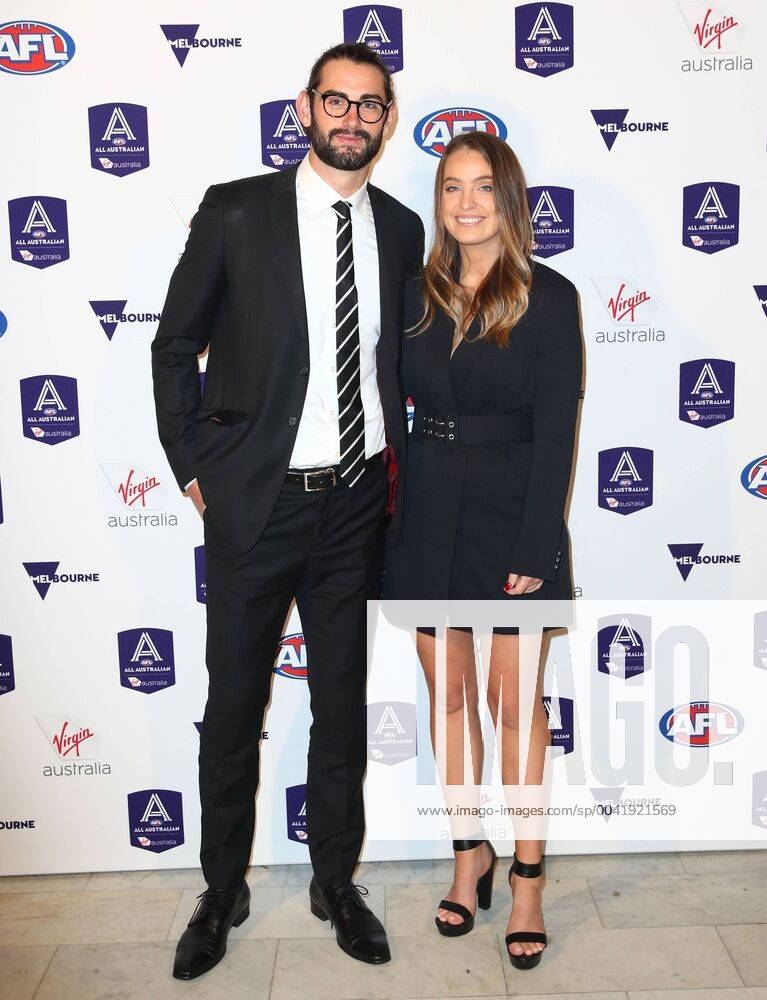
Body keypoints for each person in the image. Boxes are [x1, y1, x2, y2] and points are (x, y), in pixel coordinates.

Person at [151, 42, 423, 979]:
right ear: (304, 108)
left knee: (340, 705)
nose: (353, 120)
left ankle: (333, 882)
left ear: (387, 120)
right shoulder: (236, 212)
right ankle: (219, 891)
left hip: (356, 505)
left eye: (371, 107)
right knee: (233, 706)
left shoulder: (398, 228)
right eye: (336, 103)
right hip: (255, 506)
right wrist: (193, 463)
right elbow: (173, 342)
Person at [382, 132, 583, 969]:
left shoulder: (550, 293)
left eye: (482, 188)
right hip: (426, 511)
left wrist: (538, 540)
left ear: (509, 200)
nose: (466, 203)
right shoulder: (414, 292)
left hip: (510, 517)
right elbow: (389, 408)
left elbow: (556, 427)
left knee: (514, 706)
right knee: (450, 701)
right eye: (451, 188)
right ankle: (470, 856)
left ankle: (528, 875)